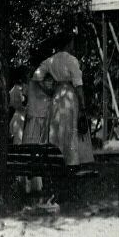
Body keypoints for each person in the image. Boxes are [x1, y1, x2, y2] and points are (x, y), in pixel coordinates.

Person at [32, 31, 94, 167]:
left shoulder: (50, 60)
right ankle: (72, 160)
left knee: (57, 126)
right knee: (71, 126)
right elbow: (78, 85)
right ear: (68, 44)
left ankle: (56, 159)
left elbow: (36, 76)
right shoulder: (72, 60)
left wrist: (47, 90)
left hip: (57, 95)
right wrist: (83, 105)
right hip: (70, 96)